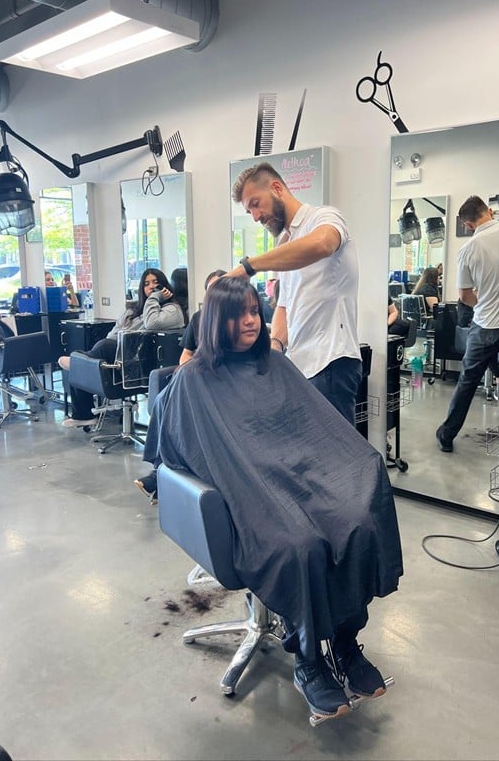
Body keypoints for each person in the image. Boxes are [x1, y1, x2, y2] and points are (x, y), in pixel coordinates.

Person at [146, 277, 403, 721]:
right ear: (216, 322)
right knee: (298, 546)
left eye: (254, 311)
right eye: (239, 314)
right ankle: (308, 660)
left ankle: (344, 642)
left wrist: (355, 463)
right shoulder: (193, 381)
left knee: (355, 524)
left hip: (301, 476)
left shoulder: (275, 365)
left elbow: (316, 427)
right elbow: (170, 447)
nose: (251, 321)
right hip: (251, 492)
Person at [228, 162, 361, 425]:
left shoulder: (324, 218)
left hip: (331, 361)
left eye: (256, 203)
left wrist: (249, 266)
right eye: (248, 210)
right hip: (300, 365)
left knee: (336, 459)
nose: (255, 216)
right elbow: (285, 306)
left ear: (276, 188)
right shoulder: (284, 242)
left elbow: (323, 243)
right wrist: (275, 347)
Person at [436, 195, 499, 452]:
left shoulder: (468, 249)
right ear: (490, 211)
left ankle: (447, 435)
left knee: (468, 381)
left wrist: (486, 303)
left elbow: (465, 296)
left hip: (485, 324)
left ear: (468, 225)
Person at [133, 267, 226, 502]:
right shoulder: (198, 319)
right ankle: (160, 471)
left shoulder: (236, 321)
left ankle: (159, 477)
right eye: (211, 291)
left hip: (222, 384)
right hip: (197, 379)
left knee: (176, 405)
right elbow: (186, 353)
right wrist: (188, 370)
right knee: (165, 398)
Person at [60, 268, 185, 427]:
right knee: (80, 356)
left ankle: (77, 364)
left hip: (139, 361)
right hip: (120, 353)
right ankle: (83, 414)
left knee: (86, 358)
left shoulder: (173, 310)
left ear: (165, 287)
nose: (151, 287)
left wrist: (154, 298)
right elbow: (115, 331)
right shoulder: (133, 310)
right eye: (146, 284)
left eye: (156, 283)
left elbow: (151, 323)